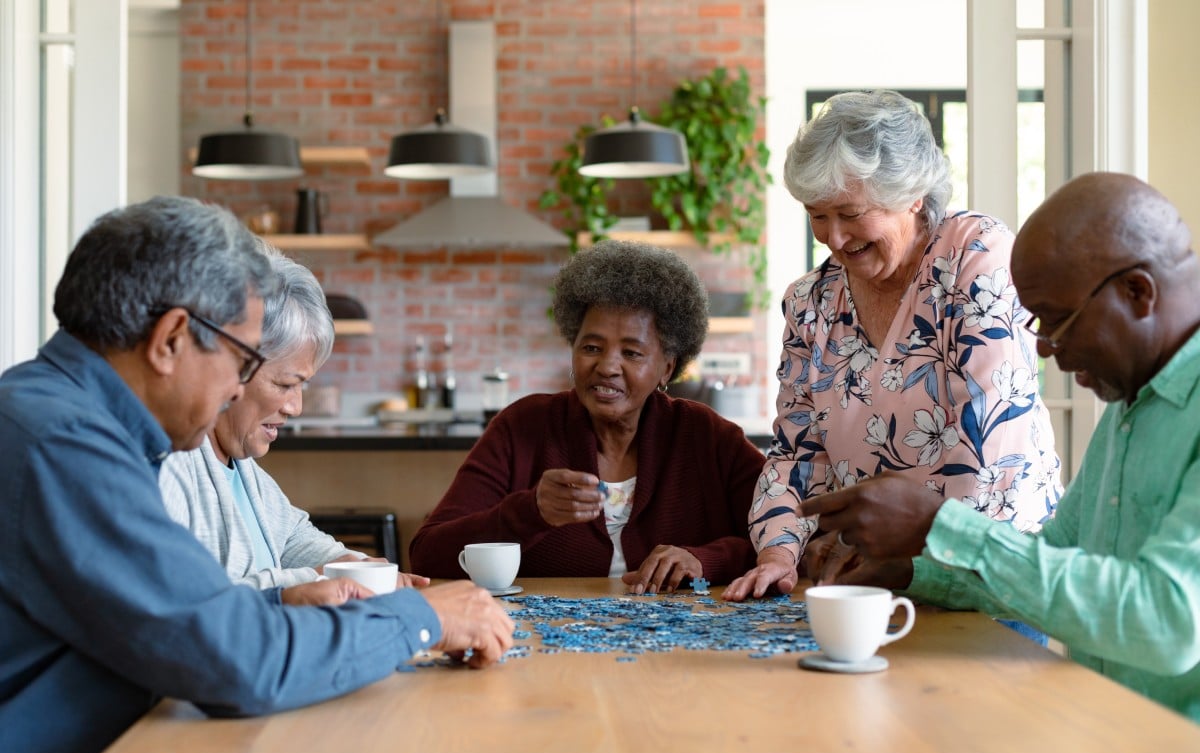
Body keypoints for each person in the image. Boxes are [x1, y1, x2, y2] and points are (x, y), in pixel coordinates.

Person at [0, 197, 514, 753]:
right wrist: (421, 619)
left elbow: (183, 621)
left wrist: (282, 596)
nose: (237, 389)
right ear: (170, 340)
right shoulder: (67, 446)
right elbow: (238, 660)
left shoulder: (56, 415)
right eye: (244, 361)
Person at [801, 172, 1200, 721]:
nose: (1042, 347)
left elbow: (1169, 621)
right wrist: (911, 573)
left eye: (1059, 321)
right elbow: (1052, 560)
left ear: (1138, 292)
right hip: (1109, 740)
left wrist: (941, 524)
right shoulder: (1133, 402)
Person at [724, 89, 1062, 602]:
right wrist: (779, 553)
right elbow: (797, 453)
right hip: (868, 579)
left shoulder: (975, 259)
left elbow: (991, 445)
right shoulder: (810, 302)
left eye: (850, 213)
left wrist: (909, 563)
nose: (833, 238)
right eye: (817, 215)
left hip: (985, 574)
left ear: (913, 196)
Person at [410, 239, 766, 592]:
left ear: (667, 368)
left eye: (632, 353)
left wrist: (706, 559)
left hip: (680, 642)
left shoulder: (707, 436)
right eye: (591, 348)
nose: (607, 366)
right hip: (545, 639)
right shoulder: (522, 427)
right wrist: (529, 512)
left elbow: (788, 539)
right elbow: (427, 553)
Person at [159, 245, 428, 590]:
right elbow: (203, 604)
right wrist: (320, 579)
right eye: (286, 384)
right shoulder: (172, 465)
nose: (295, 407)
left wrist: (353, 564)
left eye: (303, 385)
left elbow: (290, 538)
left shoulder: (241, 467)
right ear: (230, 363)